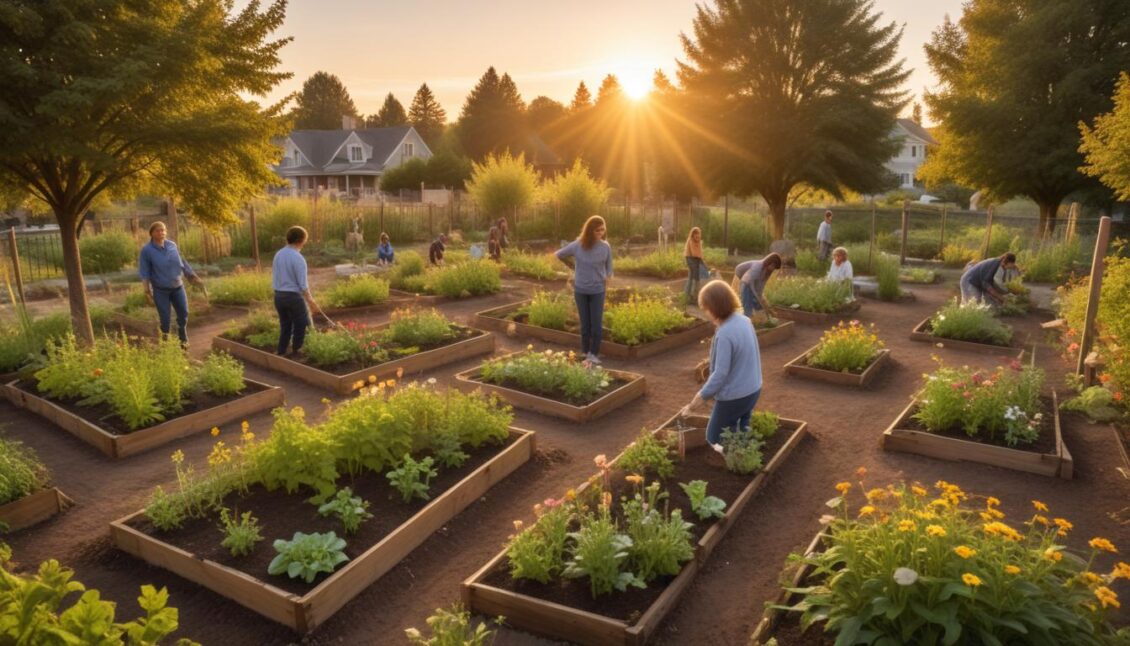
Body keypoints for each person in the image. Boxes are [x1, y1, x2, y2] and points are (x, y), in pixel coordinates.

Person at [680, 280, 763, 453]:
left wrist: (695, 402)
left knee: (713, 436)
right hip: (754, 388)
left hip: (736, 396)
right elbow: (744, 353)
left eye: (705, 308)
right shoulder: (744, 320)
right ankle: (746, 451)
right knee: (740, 428)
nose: (705, 313)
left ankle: (733, 458)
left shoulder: (725, 333)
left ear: (714, 307)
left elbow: (720, 374)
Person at [556, 215, 613, 366]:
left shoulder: (605, 247)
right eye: (597, 230)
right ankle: (585, 352)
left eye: (602, 230)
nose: (600, 233)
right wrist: (573, 266)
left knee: (596, 325)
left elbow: (609, 268)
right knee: (585, 324)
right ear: (590, 230)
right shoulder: (578, 245)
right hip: (580, 290)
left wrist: (607, 280)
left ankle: (593, 354)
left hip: (598, 291)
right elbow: (559, 254)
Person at [139, 220, 204, 345]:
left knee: (183, 313)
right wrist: (147, 291)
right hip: (160, 290)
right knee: (165, 318)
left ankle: (182, 337)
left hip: (178, 287)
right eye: (158, 230)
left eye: (163, 230)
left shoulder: (172, 245)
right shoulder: (147, 250)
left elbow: (182, 262)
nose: (161, 232)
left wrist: (192, 276)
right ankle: (165, 341)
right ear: (151, 233)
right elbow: (144, 271)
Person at [272, 226, 323, 356]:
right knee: (303, 324)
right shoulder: (298, 258)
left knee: (285, 325)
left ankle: (281, 351)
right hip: (293, 297)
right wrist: (311, 301)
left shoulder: (278, 254)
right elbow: (302, 284)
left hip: (278, 296)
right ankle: (297, 351)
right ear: (301, 240)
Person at [733, 253, 783, 318]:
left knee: (758, 304)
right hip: (744, 280)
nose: (773, 269)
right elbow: (751, 285)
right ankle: (746, 318)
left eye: (774, 268)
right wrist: (757, 297)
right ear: (769, 262)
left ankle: (754, 319)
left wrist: (764, 304)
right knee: (747, 305)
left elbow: (760, 288)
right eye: (773, 266)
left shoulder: (766, 272)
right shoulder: (757, 266)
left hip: (749, 279)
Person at [684, 227, 705, 302]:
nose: (698, 236)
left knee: (691, 277)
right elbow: (694, 253)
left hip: (696, 259)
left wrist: (703, 262)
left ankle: (688, 295)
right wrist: (700, 258)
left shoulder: (699, 241)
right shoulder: (691, 241)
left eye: (699, 234)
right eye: (696, 234)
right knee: (696, 278)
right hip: (690, 259)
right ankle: (693, 297)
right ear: (692, 235)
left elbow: (700, 254)